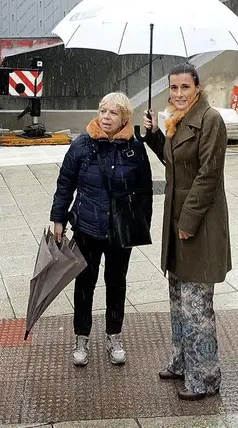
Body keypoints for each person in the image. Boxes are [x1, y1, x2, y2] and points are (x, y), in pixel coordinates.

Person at [143, 63, 231, 401]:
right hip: (178, 227)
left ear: (197, 87)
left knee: (197, 307)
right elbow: (176, 164)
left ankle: (206, 377)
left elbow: (208, 174)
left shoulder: (211, 121)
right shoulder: (176, 122)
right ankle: (182, 362)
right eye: (174, 88)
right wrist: (154, 136)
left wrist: (188, 221)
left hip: (199, 227)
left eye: (185, 87)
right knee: (179, 301)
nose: (178, 94)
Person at [51, 92, 153, 367]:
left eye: (113, 113)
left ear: (124, 118)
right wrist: (58, 219)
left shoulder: (134, 148)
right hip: (86, 226)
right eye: (103, 111)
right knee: (84, 284)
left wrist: (140, 226)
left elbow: (145, 190)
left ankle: (114, 334)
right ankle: (81, 336)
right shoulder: (82, 145)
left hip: (121, 229)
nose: (106, 117)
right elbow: (65, 183)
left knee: (116, 283)